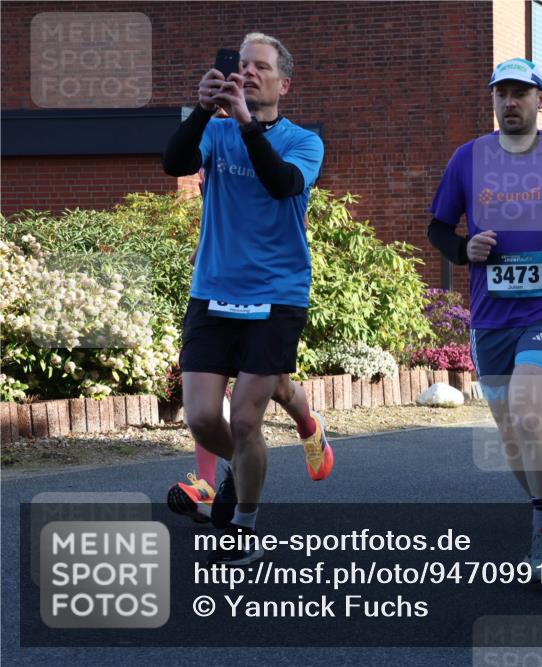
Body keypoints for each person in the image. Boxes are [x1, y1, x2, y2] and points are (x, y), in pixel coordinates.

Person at [427, 58, 542, 580]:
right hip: (490, 316)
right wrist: (464, 249)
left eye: (520, 93)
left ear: (539, 99)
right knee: (512, 438)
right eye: (502, 93)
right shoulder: (469, 159)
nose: (510, 102)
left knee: (529, 413)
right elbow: (438, 227)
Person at [162, 33, 330, 564]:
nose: (248, 72)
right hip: (213, 289)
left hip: (278, 294)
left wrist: (247, 125)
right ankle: (252, 462)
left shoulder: (305, 141)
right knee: (202, 417)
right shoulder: (214, 130)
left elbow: (282, 184)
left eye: (261, 67)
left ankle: (243, 526)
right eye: (242, 64)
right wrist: (202, 110)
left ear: (284, 82)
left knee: (247, 420)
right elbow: (174, 163)